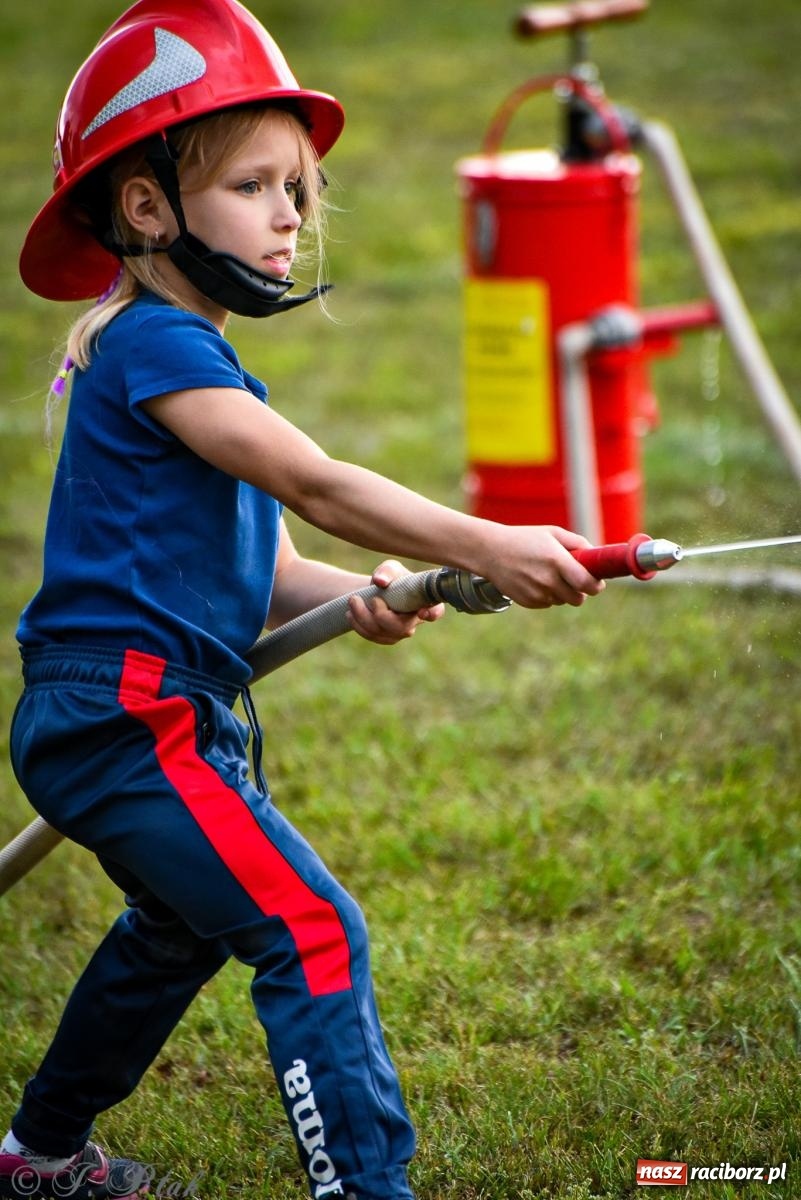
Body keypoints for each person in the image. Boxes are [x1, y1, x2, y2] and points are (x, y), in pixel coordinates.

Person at [0, 2, 604, 1198]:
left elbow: (267, 565)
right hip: (128, 722)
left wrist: (363, 592)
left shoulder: (194, 362)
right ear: (146, 206)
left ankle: (39, 1156)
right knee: (311, 932)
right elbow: (314, 483)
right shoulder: (155, 349)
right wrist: (489, 534)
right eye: (256, 186)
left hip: (156, 718)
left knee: (176, 934)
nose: (290, 214)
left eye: (300, 188)